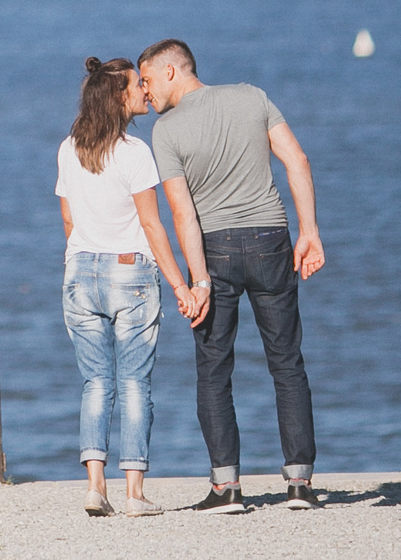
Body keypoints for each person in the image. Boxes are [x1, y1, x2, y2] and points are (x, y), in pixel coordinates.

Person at [138, 38, 325, 513]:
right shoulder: (252, 96)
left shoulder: (166, 130)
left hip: (215, 249)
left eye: (147, 79)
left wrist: (199, 280)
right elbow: (297, 160)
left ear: (172, 71)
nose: (144, 91)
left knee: (214, 369)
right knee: (287, 362)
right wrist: (310, 232)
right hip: (271, 240)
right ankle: (299, 484)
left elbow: (183, 213)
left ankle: (226, 487)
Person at [54, 56, 198, 518]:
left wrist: (82, 259)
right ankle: (134, 493)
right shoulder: (135, 152)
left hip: (80, 271)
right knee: (134, 383)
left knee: (96, 382)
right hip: (129, 272)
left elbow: (69, 220)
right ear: (119, 97)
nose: (144, 90)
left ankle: (95, 487)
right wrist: (181, 284)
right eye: (137, 85)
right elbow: (152, 226)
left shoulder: (69, 149)